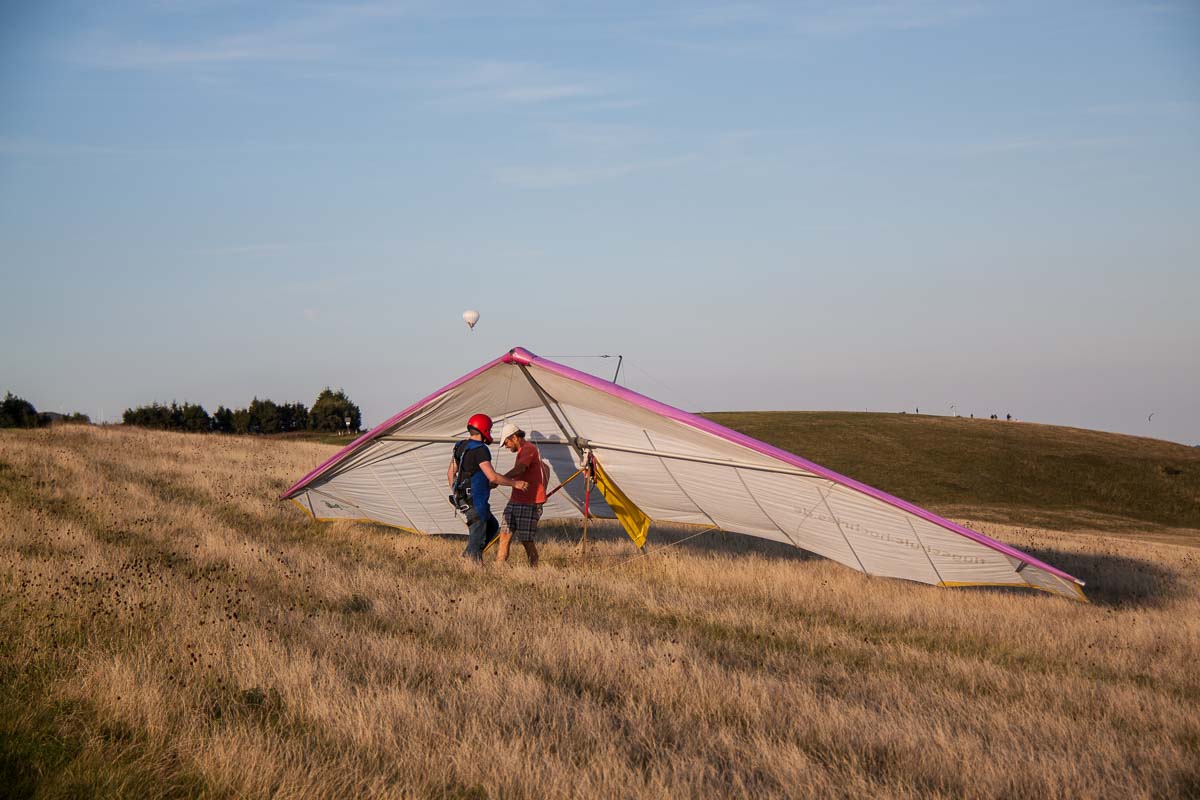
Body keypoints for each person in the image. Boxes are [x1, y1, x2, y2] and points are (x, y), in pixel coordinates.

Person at [447, 414, 527, 564]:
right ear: (484, 430)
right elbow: (493, 477)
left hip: (463, 499)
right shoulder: (480, 450)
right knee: (477, 536)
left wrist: (456, 491)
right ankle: (471, 563)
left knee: (492, 526)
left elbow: (451, 473)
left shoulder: (461, 446)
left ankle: (468, 558)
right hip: (475, 501)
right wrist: (515, 483)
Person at [495, 422, 547, 566]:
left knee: (526, 539)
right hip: (515, 500)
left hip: (529, 502)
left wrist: (499, 479)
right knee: (504, 534)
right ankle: (499, 567)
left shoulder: (528, 448)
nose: (506, 446)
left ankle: (534, 568)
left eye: (506, 442)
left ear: (514, 438)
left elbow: (520, 469)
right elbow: (545, 468)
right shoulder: (523, 451)